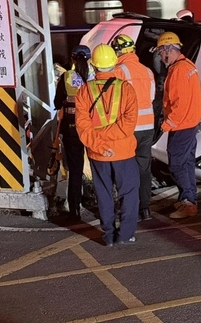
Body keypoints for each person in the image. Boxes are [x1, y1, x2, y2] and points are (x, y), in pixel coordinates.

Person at [75, 44, 139, 246]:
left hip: (98, 154)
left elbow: (82, 127)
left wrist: (100, 144)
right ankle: (126, 234)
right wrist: (110, 140)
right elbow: (128, 125)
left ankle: (109, 236)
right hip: (123, 151)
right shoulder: (127, 89)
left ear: (93, 66)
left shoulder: (84, 91)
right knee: (128, 194)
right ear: (114, 64)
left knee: (103, 194)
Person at [156, 32, 201, 219]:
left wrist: (167, 125)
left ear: (168, 50)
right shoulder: (187, 66)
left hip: (181, 126)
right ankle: (189, 197)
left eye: (160, 52)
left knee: (177, 165)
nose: (160, 56)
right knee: (187, 164)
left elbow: (179, 103)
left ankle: (188, 204)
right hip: (190, 124)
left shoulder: (178, 71)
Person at [111, 34, 156, 221]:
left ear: (118, 51)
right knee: (144, 168)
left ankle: (129, 209)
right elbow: (152, 97)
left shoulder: (118, 71)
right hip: (148, 127)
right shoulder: (147, 71)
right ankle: (145, 208)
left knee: (125, 169)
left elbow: (113, 103)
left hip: (128, 127)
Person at [53, 44, 94, 219]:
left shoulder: (66, 77)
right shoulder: (96, 77)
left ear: (72, 59)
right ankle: (104, 204)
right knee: (100, 168)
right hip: (94, 129)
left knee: (75, 170)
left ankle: (75, 209)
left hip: (72, 128)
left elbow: (56, 103)